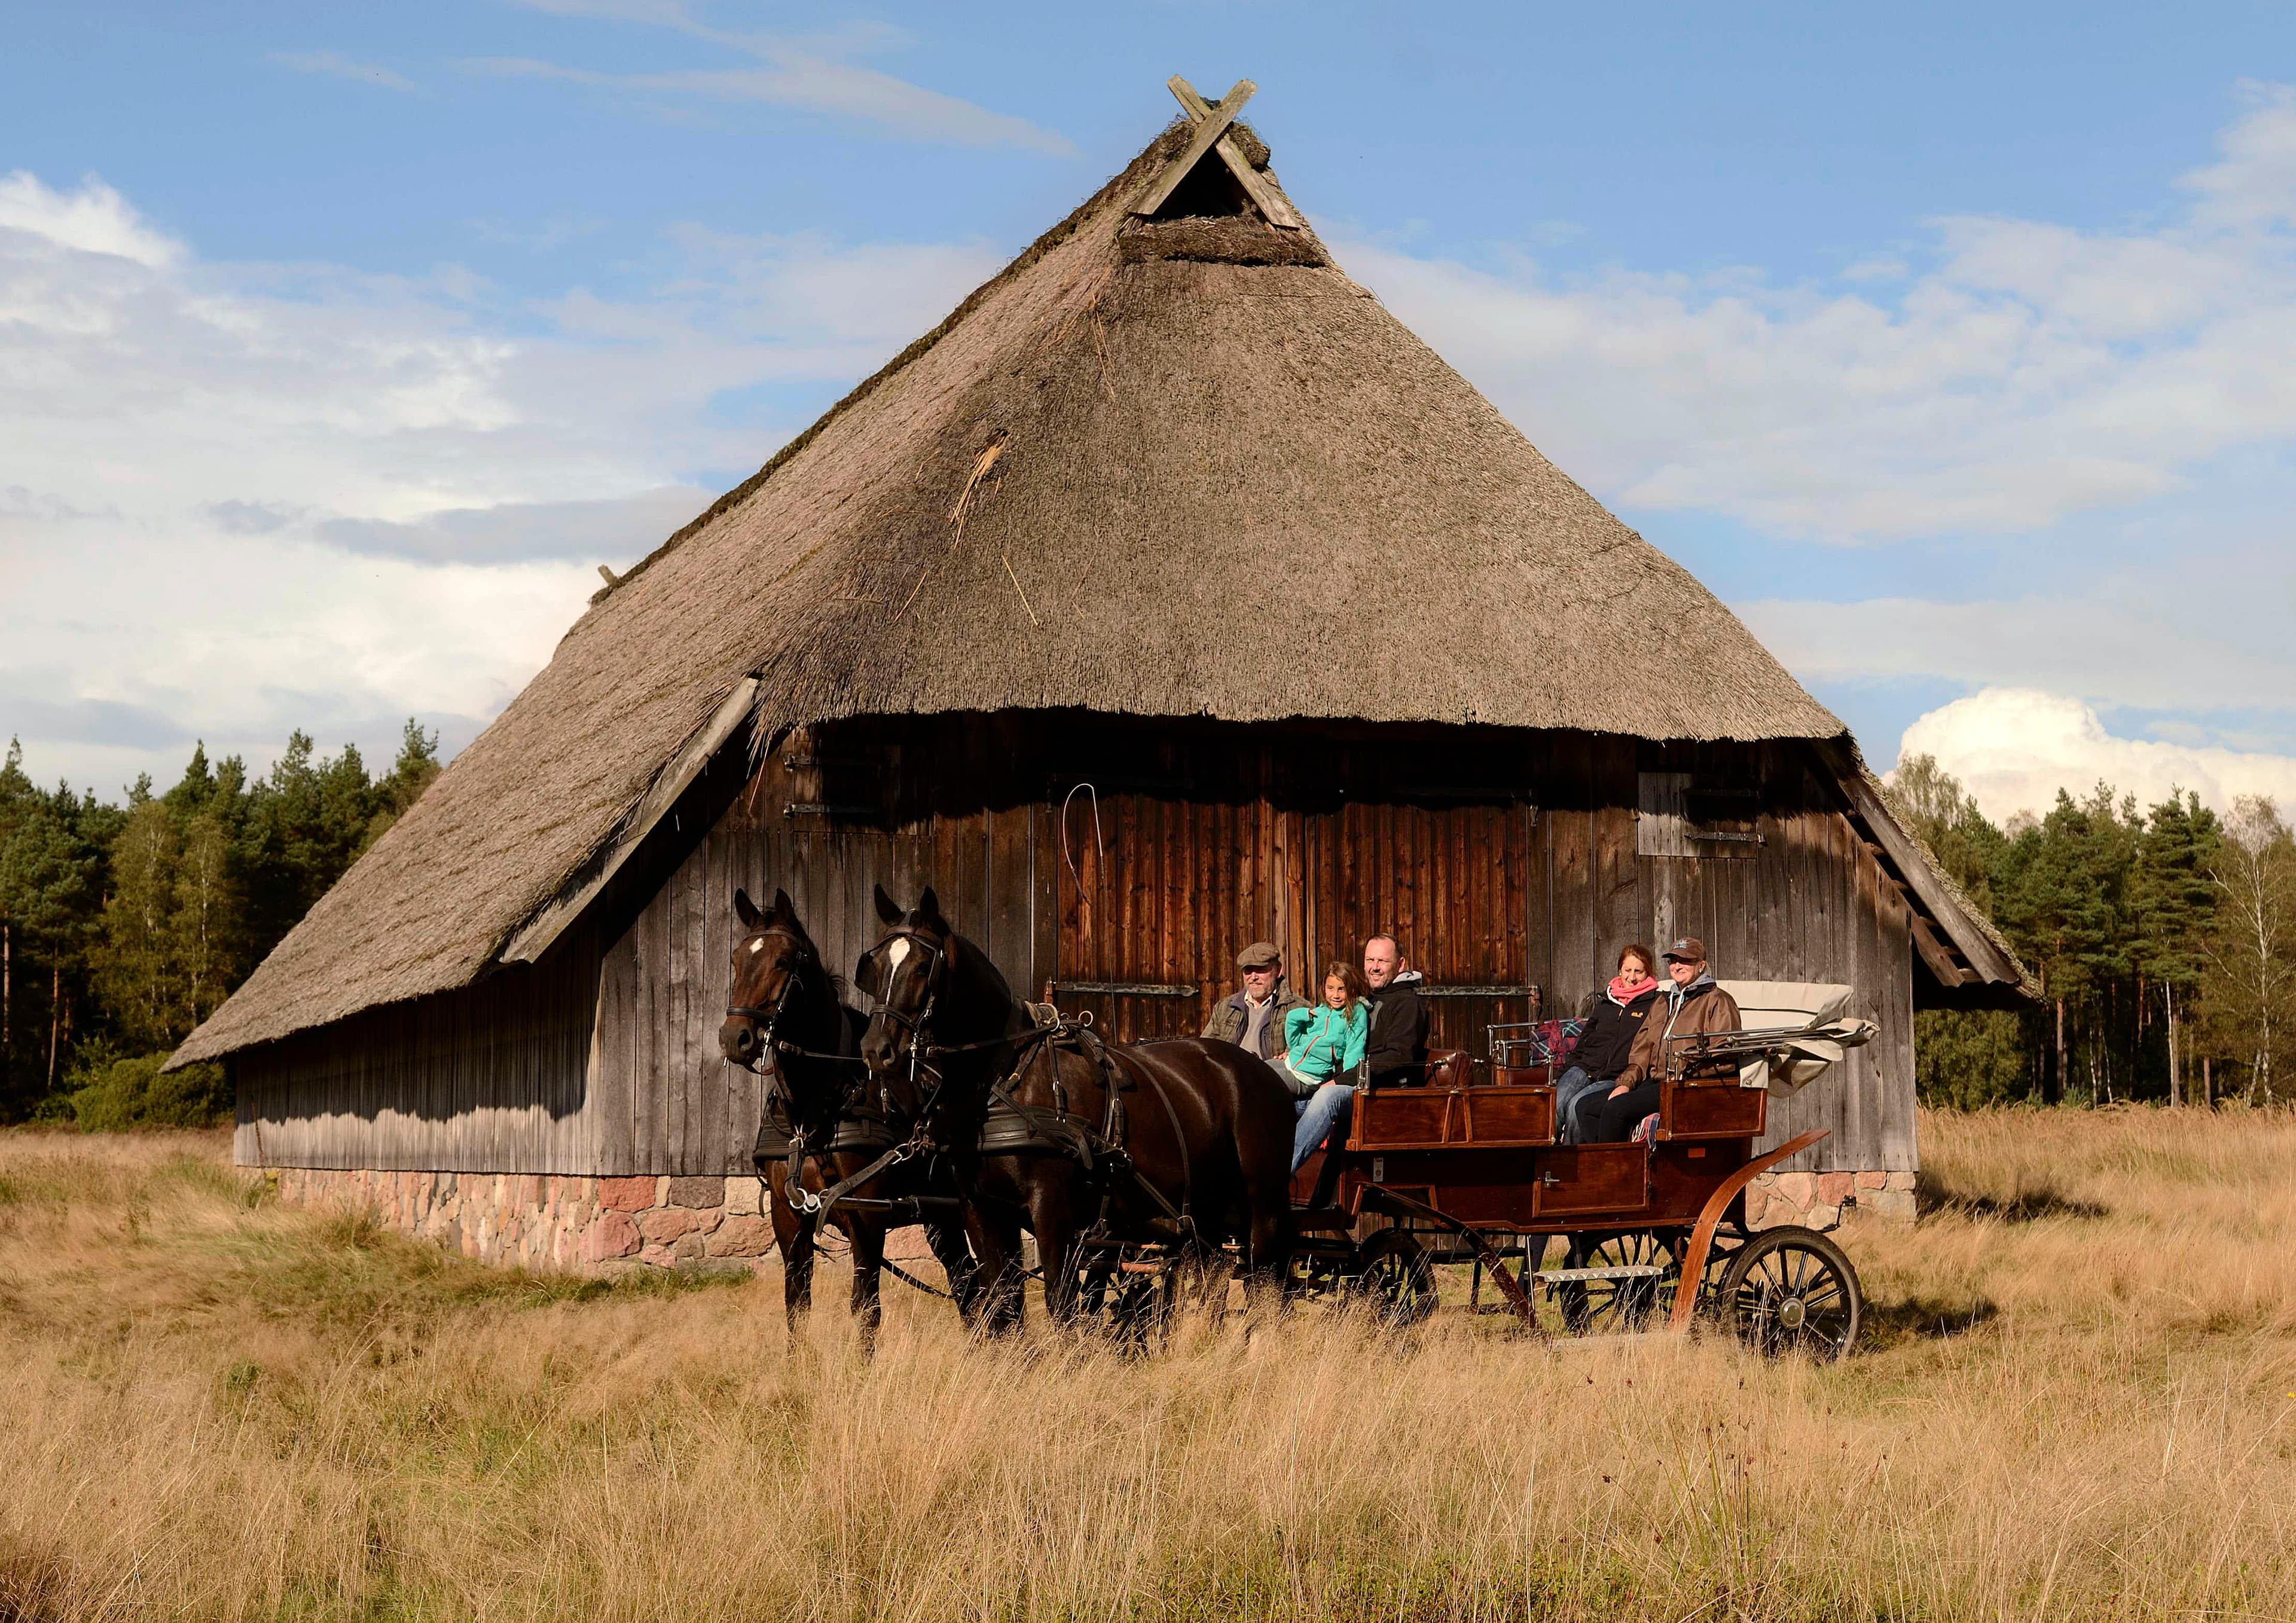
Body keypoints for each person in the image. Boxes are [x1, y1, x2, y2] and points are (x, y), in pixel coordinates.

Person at [1586, 937, 1742, 1144]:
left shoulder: (1717, 1000)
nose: (1677, 966)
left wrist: (1685, 1070)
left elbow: (1726, 1052)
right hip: (1655, 1082)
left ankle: (1618, 1173)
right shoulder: (1663, 1001)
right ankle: (1601, 1167)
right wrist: (1626, 1083)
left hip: (1686, 1086)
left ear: (1701, 966)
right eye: (1673, 961)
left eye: (1685, 961)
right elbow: (1642, 1049)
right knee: (1587, 1108)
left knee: (1616, 1109)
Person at [1554, 945, 1662, 1142]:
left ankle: (1572, 1164)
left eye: (1638, 971)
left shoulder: (1654, 1004)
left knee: (1575, 1108)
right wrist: (1565, 1072)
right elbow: (1585, 1041)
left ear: (1648, 973)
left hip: (1615, 1075)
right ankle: (1542, 1161)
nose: (1632, 977)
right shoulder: (1606, 1003)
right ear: (1619, 970)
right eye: (1627, 970)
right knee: (1556, 1104)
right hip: (1584, 1067)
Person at [1284, 961, 1370, 1172]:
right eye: (1331, 988)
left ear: (1351, 989)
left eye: (1342, 989)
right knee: (1261, 1075)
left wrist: (1345, 1080)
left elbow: (1354, 1049)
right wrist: (1301, 1019)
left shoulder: (1356, 1013)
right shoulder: (1321, 1011)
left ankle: (1281, 1171)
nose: (1336, 994)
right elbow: (1297, 1037)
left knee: (1265, 1084)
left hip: (1312, 1078)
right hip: (1292, 1065)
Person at [1201, 940, 1308, 1065]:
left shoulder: (1299, 1010)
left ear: (1278, 970)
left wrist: (1290, 1057)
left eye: (1260, 970)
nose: (1253, 977)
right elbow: (1204, 1047)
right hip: (1228, 1074)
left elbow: (1305, 1050)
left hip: (1270, 1077)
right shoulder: (1225, 1008)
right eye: (1248, 971)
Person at [1361, 934, 1429, 1088]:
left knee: (1327, 1098)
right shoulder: (1364, 999)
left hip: (1380, 1091)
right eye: (1370, 960)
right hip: (1346, 1080)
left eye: (1383, 961)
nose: (1375, 968)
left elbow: (1398, 1056)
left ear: (1400, 965)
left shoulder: (1407, 1004)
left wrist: (1345, 1078)